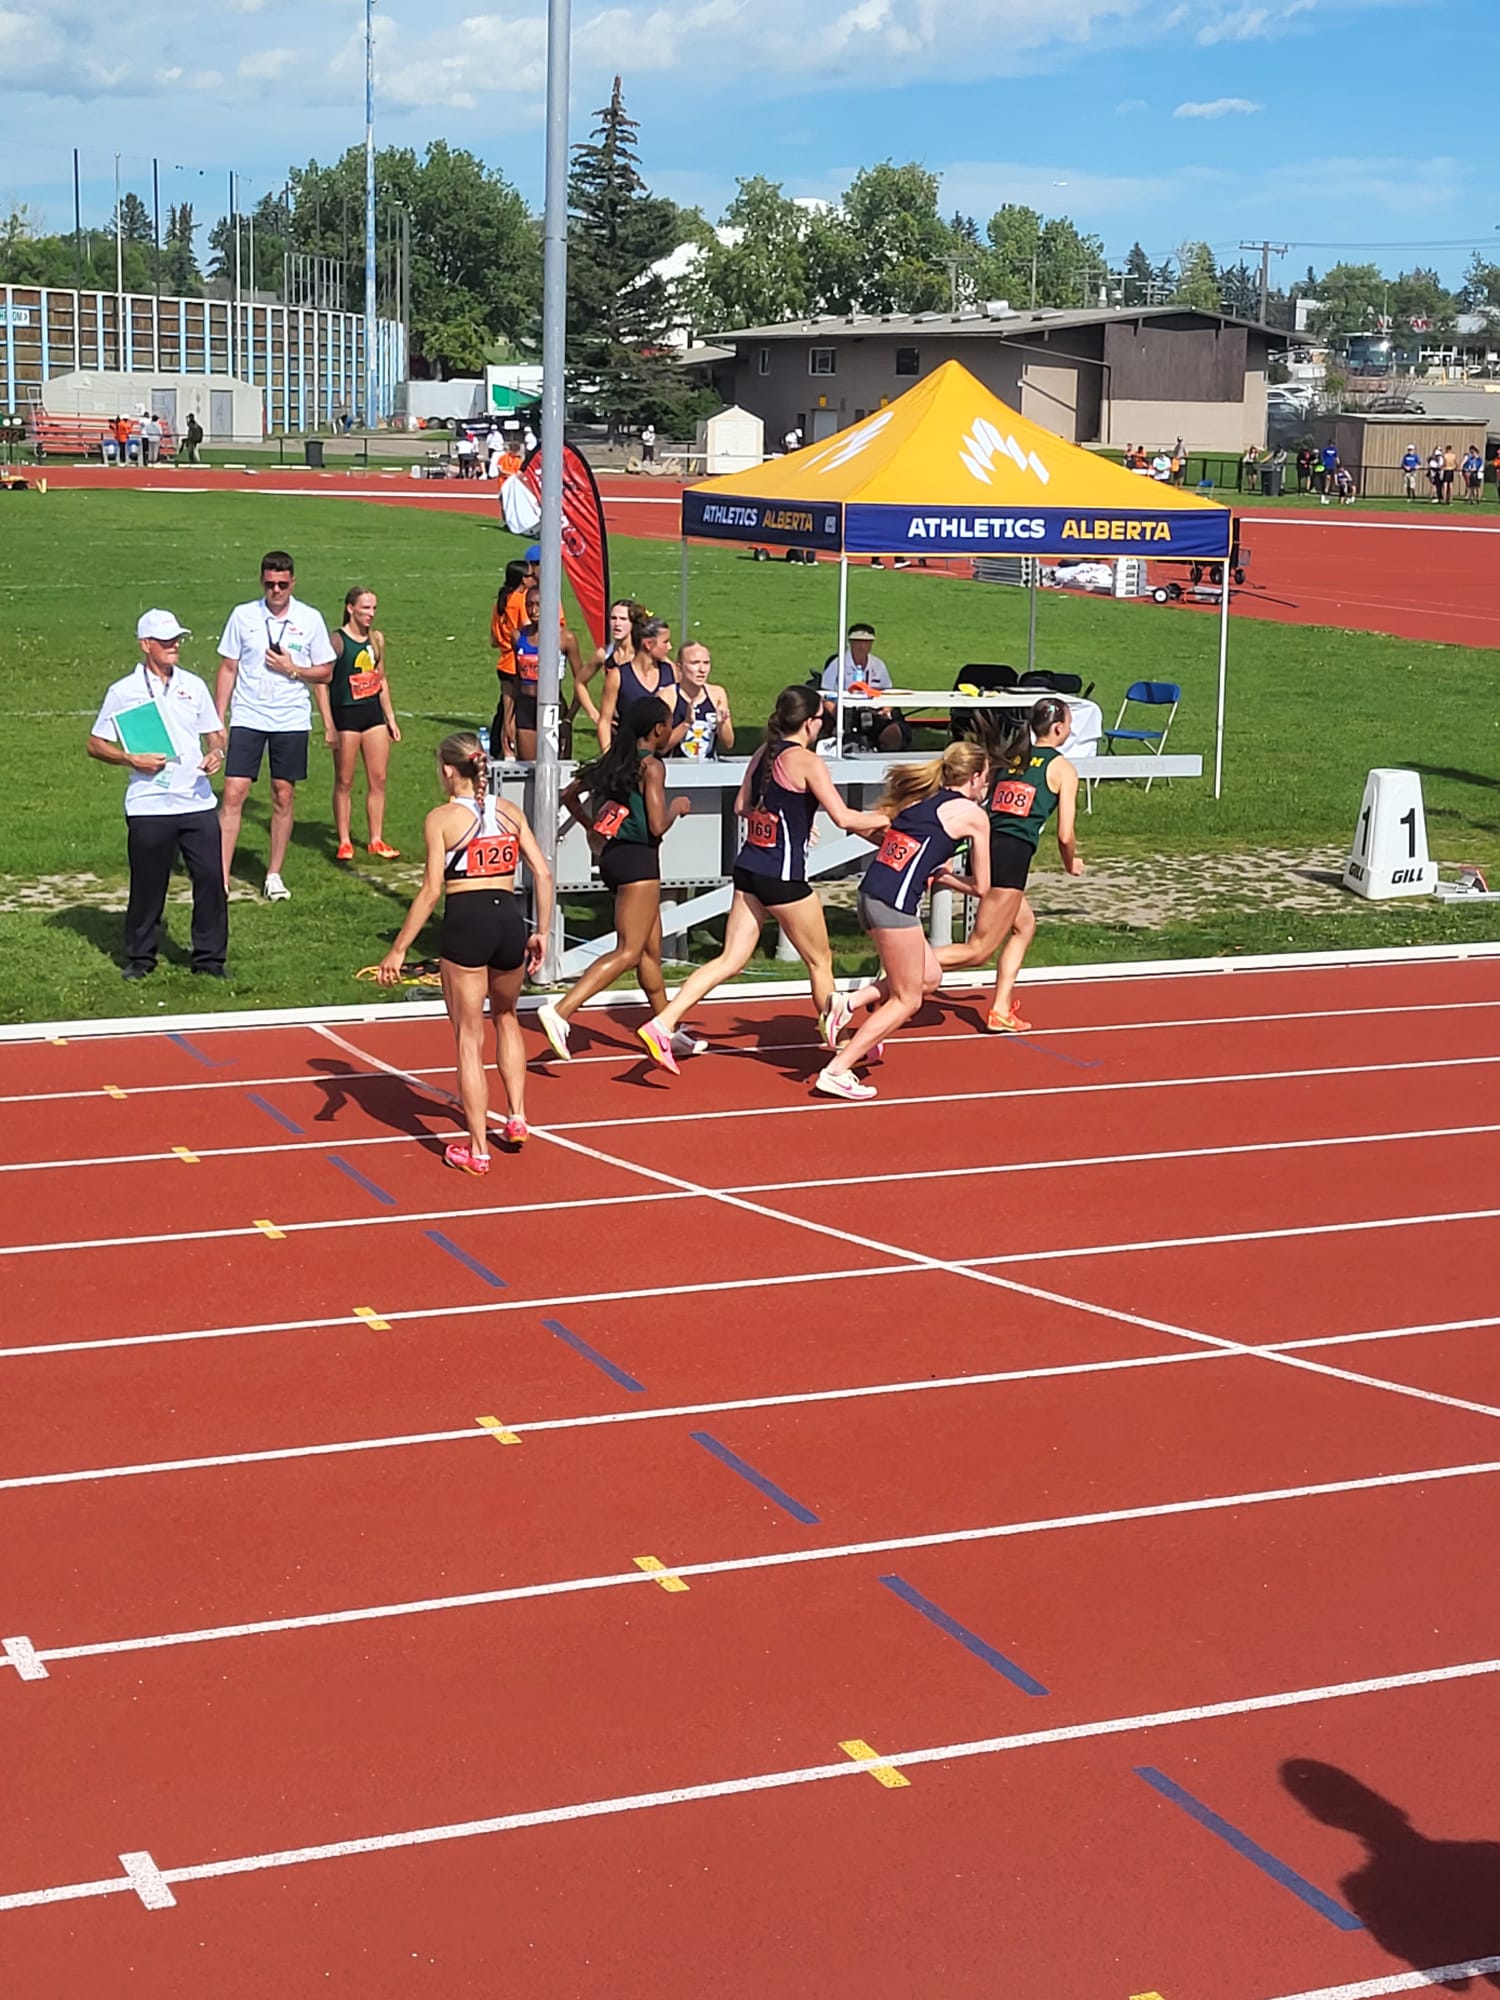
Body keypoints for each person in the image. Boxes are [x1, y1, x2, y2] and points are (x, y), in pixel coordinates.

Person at [636, 685, 888, 1072]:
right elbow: (844, 818)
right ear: (809, 722)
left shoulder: (763, 753)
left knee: (729, 959)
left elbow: (742, 806)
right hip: (783, 877)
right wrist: (891, 818)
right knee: (820, 961)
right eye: (821, 720)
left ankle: (662, 1023)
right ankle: (840, 1046)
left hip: (750, 868)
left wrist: (791, 821)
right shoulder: (807, 761)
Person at [377, 732, 553, 1174]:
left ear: (447, 771)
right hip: (509, 922)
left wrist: (398, 950)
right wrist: (543, 932)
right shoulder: (510, 812)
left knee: (468, 1039)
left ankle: (477, 1150)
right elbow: (543, 872)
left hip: (467, 924)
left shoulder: (440, 819)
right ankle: (517, 1116)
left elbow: (431, 890)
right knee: (507, 1018)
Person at [815, 742, 991, 1101]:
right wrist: (945, 877)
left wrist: (928, 868)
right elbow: (982, 886)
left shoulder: (919, 800)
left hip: (871, 893)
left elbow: (891, 838)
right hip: (894, 903)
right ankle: (837, 1070)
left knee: (930, 976)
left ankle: (848, 1003)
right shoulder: (974, 816)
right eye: (986, 779)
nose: (986, 786)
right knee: (907, 1000)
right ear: (973, 778)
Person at [537, 698, 698, 1064]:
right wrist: (678, 807)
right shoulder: (651, 767)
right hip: (639, 863)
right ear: (658, 729)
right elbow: (656, 826)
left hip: (612, 857)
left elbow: (568, 795)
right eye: (669, 725)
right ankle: (561, 1011)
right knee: (629, 951)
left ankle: (666, 1027)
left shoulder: (614, 759)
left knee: (650, 951)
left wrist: (590, 825)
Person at [87, 610, 229, 981]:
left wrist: (217, 752)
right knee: (148, 885)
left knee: (211, 878)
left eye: (177, 639)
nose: (174, 645)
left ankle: (210, 960)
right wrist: (130, 759)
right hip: (148, 804)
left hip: (196, 800)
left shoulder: (193, 685)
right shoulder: (123, 691)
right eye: (166, 641)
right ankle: (140, 958)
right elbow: (95, 743)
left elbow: (215, 733)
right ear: (145, 644)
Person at [935, 698, 1084, 1032]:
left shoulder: (1013, 756)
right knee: (978, 951)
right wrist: (1070, 863)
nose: (1070, 730)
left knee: (1024, 926)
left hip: (985, 846)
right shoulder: (1062, 769)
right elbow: (1065, 835)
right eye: (1069, 725)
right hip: (1012, 855)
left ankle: (1000, 1009)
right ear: (1058, 728)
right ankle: (902, 964)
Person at [215, 549, 336, 899]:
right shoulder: (243, 615)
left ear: (293, 582)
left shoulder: (310, 619)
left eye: (282, 584)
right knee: (234, 791)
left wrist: (293, 669)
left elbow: (326, 671)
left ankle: (274, 874)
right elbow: (228, 667)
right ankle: (219, 878)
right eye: (270, 584)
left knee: (283, 793)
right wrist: (218, 719)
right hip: (248, 715)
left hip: (290, 718)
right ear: (262, 582)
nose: (276, 591)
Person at [315, 584, 401, 861]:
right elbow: (321, 683)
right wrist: (329, 725)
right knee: (344, 780)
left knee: (379, 778)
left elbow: (381, 678)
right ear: (350, 608)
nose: (371, 613)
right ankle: (344, 841)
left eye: (374, 608)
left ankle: (376, 839)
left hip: (372, 715)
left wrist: (390, 718)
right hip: (346, 717)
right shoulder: (336, 641)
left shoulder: (376, 639)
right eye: (365, 607)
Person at [596, 614, 687, 752]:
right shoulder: (618, 676)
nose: (669, 647)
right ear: (648, 644)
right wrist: (607, 754)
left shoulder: (670, 671)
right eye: (665, 642)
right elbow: (604, 721)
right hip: (628, 753)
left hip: (661, 756)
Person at [820, 621, 909, 754]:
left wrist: (886, 709)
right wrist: (837, 715)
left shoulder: (878, 665)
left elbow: (888, 692)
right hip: (847, 714)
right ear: (850, 642)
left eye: (866, 642)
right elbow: (825, 695)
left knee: (894, 734)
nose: (862, 646)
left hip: (875, 713)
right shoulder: (837, 665)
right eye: (857, 641)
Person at [674, 641, 734, 761]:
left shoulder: (717, 694)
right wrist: (686, 724)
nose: (702, 669)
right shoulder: (669, 695)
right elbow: (661, 748)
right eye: (694, 663)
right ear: (679, 667)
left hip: (708, 767)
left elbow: (729, 743)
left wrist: (721, 724)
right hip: (674, 766)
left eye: (706, 663)